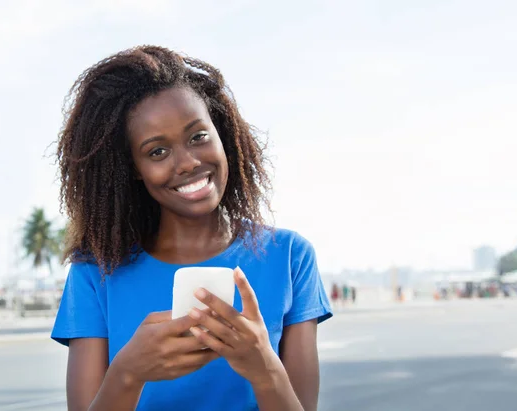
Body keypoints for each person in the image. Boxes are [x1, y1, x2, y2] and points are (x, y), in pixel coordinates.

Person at [51, 45, 333, 411]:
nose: (187, 163)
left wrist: (264, 368)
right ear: (133, 167)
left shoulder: (290, 256)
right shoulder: (96, 270)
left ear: (223, 134)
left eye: (198, 136)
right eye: (157, 151)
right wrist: (127, 373)